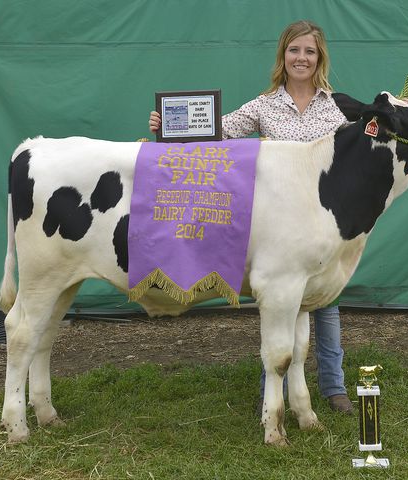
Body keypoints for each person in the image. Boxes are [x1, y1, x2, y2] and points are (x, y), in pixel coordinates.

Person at [149, 20, 353, 413]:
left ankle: (334, 385)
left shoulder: (338, 108)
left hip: (320, 225)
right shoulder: (264, 105)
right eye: (294, 50)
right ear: (283, 56)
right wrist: (167, 127)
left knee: (325, 305)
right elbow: (216, 131)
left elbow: (355, 156)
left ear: (319, 57)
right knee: (279, 305)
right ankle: (271, 388)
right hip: (276, 227)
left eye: (309, 51)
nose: (302, 58)